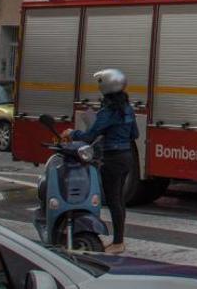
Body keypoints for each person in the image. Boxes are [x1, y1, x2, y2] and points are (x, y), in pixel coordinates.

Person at [61, 69, 138, 254]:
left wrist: (72, 133)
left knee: (113, 200)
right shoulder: (127, 108)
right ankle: (119, 240)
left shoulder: (108, 111)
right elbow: (135, 134)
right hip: (127, 158)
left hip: (112, 159)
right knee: (119, 200)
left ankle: (118, 243)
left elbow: (89, 136)